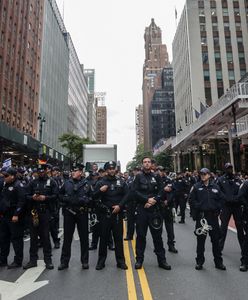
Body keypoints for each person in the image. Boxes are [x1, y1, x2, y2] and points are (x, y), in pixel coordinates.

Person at [133, 157, 171, 270]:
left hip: (155, 211)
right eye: (145, 162)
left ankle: (162, 261)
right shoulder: (138, 177)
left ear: (151, 164)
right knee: (140, 236)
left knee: (157, 237)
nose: (147, 164)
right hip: (142, 210)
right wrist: (146, 200)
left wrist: (154, 200)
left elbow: (162, 191)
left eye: (148, 162)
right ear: (142, 164)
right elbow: (134, 192)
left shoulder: (157, 176)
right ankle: (139, 260)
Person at [94, 161, 128, 270]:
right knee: (103, 238)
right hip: (105, 215)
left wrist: (120, 206)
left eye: (113, 168)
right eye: (109, 168)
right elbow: (93, 197)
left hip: (117, 214)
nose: (112, 170)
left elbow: (127, 196)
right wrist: (100, 191)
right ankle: (101, 262)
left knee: (118, 239)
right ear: (106, 170)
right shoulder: (100, 182)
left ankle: (121, 261)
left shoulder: (121, 182)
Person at [189, 168, 226, 271]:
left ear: (209, 175)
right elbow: (191, 200)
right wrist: (199, 206)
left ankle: (218, 262)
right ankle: (199, 262)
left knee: (215, 241)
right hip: (202, 217)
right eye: (201, 174)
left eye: (205, 174)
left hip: (213, 217)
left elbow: (222, 199)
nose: (203, 175)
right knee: (200, 241)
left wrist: (217, 207)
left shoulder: (215, 187)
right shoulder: (196, 187)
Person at [24, 164, 58, 270]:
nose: (41, 173)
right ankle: (33, 260)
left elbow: (56, 196)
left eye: (43, 171)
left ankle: (48, 260)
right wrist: (33, 197)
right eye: (39, 172)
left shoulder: (52, 182)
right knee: (33, 237)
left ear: (46, 171)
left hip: (46, 212)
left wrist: (45, 198)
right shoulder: (33, 182)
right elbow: (26, 196)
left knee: (45, 237)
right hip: (34, 212)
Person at [58, 163, 91, 270]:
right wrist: (65, 200)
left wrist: (86, 200)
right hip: (69, 213)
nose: (73, 172)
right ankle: (64, 262)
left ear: (80, 172)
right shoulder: (67, 183)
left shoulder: (86, 184)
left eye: (75, 170)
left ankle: (85, 261)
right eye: (72, 170)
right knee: (67, 238)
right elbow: (59, 195)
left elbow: (92, 197)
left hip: (82, 213)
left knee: (84, 238)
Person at [0, 167, 26, 268]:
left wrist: (16, 214)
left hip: (14, 216)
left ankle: (18, 261)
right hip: (4, 216)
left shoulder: (18, 185)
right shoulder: (5, 184)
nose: (4, 177)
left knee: (16, 239)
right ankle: (3, 260)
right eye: (3, 175)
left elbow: (22, 201)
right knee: (3, 238)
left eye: (6, 176)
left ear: (12, 176)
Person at [217, 163, 244, 253]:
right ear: (225, 169)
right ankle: (219, 248)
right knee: (223, 227)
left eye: (230, 168)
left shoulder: (237, 179)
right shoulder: (220, 180)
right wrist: (226, 199)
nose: (229, 170)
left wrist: (237, 199)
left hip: (236, 206)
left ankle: (243, 248)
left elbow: (241, 191)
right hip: (226, 206)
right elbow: (218, 192)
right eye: (228, 168)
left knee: (240, 227)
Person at [157, 167, 178, 253]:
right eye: (158, 171)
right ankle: (159, 246)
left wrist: (167, 201)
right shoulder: (154, 180)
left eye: (162, 171)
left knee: (170, 228)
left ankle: (171, 245)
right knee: (158, 228)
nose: (160, 172)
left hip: (167, 206)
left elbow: (173, 191)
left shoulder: (169, 180)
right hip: (158, 206)